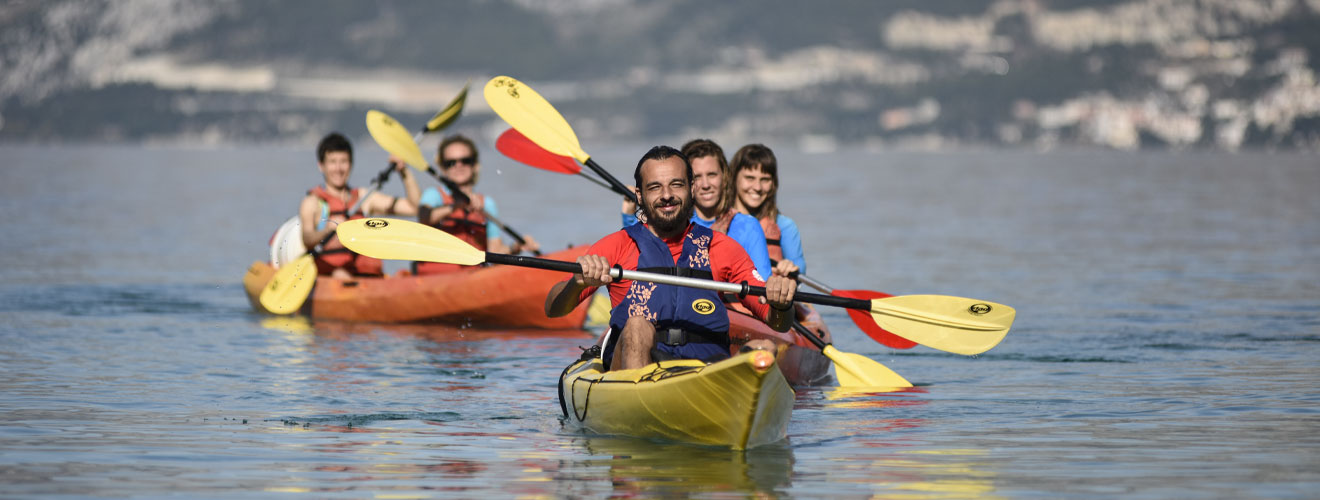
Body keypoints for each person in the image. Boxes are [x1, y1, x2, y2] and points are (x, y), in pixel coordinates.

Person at [546, 146, 797, 371]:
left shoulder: (722, 248)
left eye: (676, 184)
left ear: (692, 188)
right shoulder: (616, 245)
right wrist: (577, 283)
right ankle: (639, 409)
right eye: (655, 187)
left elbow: (778, 323)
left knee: (765, 347)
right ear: (640, 196)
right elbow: (554, 309)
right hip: (634, 371)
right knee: (636, 326)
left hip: (704, 371)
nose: (666, 195)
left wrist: (782, 303)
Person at [620, 139, 776, 280]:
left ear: (725, 177)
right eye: (698, 177)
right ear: (688, 183)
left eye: (712, 174)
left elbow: (760, 287)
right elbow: (637, 258)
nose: (706, 184)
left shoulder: (748, 226)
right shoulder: (670, 223)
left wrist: (715, 248)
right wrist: (628, 214)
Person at [410, 134, 539, 275]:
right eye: (451, 162)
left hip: (471, 278)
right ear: (443, 168)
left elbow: (495, 253)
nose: (459, 166)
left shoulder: (487, 205)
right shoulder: (433, 195)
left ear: (474, 165)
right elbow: (424, 218)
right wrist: (456, 206)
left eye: (465, 160)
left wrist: (516, 247)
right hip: (432, 279)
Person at [299, 132, 420, 279]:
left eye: (343, 161)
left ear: (350, 164)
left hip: (368, 278)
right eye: (332, 162)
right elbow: (307, 239)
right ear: (321, 166)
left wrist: (404, 172)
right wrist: (327, 230)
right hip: (332, 278)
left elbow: (414, 207)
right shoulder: (312, 203)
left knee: (402, 275)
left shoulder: (365, 198)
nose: (338, 168)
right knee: (340, 274)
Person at [730, 144, 806, 273]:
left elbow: (800, 267)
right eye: (750, 178)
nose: (758, 187)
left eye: (765, 180)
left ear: (773, 184)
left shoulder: (785, 226)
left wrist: (790, 268)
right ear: (733, 178)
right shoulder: (719, 221)